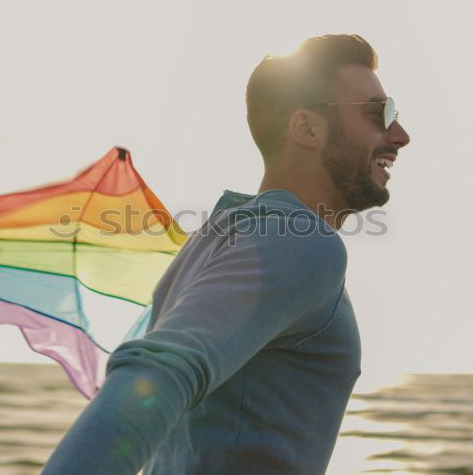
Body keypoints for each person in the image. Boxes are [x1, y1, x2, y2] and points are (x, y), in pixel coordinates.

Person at [41, 34, 411, 474]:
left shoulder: (219, 238)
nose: (400, 135)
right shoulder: (301, 241)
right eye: (377, 114)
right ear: (308, 128)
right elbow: (158, 373)